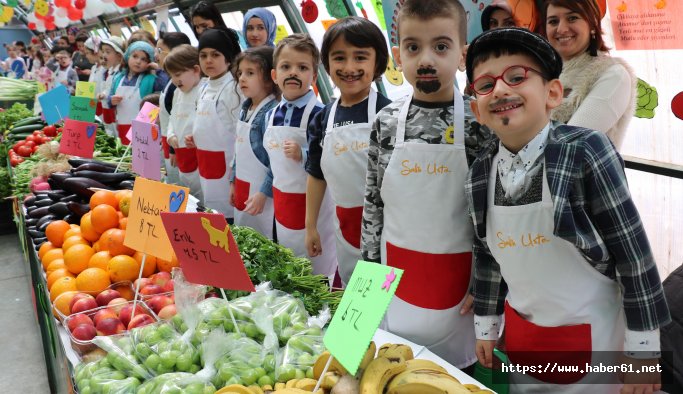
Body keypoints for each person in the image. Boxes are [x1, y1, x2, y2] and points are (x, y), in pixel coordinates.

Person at [465, 27, 670, 393]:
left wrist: (643, 352)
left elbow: (633, 256)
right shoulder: (481, 170)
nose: (499, 90)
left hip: (595, 342)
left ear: (553, 93)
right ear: (476, 110)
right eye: (485, 85)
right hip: (526, 342)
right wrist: (487, 325)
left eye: (516, 77)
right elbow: (487, 258)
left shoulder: (585, 150)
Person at [360, 0, 491, 369]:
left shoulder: (479, 122)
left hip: (459, 284)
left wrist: (489, 282)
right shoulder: (385, 120)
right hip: (394, 276)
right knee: (392, 369)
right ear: (399, 56)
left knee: (451, 376)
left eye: (441, 46)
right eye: (413, 47)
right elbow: (373, 202)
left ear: (462, 56)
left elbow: (491, 213)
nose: (426, 59)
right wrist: (368, 276)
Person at [305, 16, 391, 287]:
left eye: (360, 57)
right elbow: (316, 174)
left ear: (377, 63)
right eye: (339, 58)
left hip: (388, 227)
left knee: (386, 297)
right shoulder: (323, 117)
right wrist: (310, 227)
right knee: (355, 294)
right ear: (327, 64)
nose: (350, 67)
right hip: (344, 227)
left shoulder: (389, 114)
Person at [265, 34, 337, 278]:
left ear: (314, 77)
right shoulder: (270, 115)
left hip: (314, 210)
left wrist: (304, 154)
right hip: (283, 208)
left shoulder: (321, 114)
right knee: (290, 270)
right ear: (275, 75)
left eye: (302, 67)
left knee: (316, 273)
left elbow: (331, 164)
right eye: (286, 67)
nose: (293, 72)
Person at [541, 0, 636, 150]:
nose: (561, 28)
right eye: (553, 21)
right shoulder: (542, 73)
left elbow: (570, 147)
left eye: (572, 18)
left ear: (592, 25)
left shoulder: (612, 74)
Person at [186, 28, 242, 219]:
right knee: (213, 214)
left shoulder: (233, 88)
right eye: (203, 55)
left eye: (215, 55)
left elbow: (239, 133)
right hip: (206, 164)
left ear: (228, 59)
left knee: (227, 217)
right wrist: (196, 136)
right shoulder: (204, 85)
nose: (208, 60)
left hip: (226, 168)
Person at [229, 46, 279, 238]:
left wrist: (263, 193)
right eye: (240, 73)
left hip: (262, 197)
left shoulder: (271, 113)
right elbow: (238, 152)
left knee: (262, 243)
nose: (241, 78)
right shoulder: (245, 107)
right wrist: (233, 182)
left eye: (250, 73)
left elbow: (276, 163)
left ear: (269, 77)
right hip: (243, 188)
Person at [164, 44, 203, 201]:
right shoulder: (177, 93)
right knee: (189, 193)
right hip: (182, 155)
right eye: (171, 76)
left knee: (203, 196)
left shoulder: (204, 90)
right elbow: (173, 117)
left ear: (196, 70)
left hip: (198, 155)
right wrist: (171, 135)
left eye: (178, 74)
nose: (174, 80)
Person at [155, 32, 191, 186]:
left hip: (176, 147)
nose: (156, 56)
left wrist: (172, 150)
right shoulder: (170, 82)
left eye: (160, 51)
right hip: (168, 141)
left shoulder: (177, 85)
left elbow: (176, 119)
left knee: (179, 184)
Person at [109, 41, 162, 145]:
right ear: (127, 56)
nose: (138, 61)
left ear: (149, 63)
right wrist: (111, 100)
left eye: (144, 59)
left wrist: (158, 69)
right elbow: (109, 98)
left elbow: (164, 87)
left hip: (144, 127)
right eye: (135, 56)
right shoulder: (117, 78)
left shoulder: (151, 79)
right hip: (122, 125)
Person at [98, 36, 126, 137]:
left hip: (116, 110)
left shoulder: (121, 72)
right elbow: (107, 88)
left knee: (117, 134)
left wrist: (105, 95)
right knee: (110, 131)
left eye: (108, 52)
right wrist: (103, 94)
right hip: (107, 109)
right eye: (103, 51)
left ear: (119, 55)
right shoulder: (110, 71)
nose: (104, 55)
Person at [84, 36, 106, 116]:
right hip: (93, 106)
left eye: (87, 53)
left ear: (95, 51)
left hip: (103, 105)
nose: (86, 56)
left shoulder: (104, 68)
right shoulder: (94, 68)